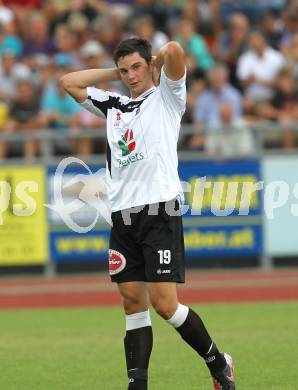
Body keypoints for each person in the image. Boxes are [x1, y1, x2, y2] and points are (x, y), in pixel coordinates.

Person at [61, 37, 235, 390]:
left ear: (150, 65)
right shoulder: (114, 105)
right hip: (122, 218)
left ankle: (218, 361)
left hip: (159, 213)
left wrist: (154, 62)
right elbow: (69, 82)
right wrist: (117, 72)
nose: (130, 75)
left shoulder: (169, 98)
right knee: (131, 304)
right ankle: (137, 384)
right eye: (124, 70)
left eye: (136, 67)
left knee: (165, 305)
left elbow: (174, 49)